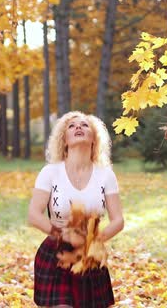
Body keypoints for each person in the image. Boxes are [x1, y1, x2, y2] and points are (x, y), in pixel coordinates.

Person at [28, 111, 124, 308]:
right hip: (56, 252)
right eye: (72, 126)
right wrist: (61, 235)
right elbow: (34, 215)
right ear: (64, 140)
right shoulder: (50, 172)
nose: (78, 127)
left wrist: (94, 241)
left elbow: (118, 220)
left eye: (84, 125)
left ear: (94, 138)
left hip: (90, 256)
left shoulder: (106, 175)